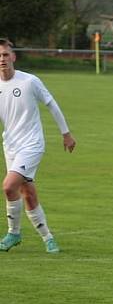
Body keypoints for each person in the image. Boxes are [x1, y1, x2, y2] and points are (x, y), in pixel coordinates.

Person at [0, 38, 76, 253]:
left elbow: (51, 104)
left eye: (5, 55)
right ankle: (48, 238)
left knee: (8, 186)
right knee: (28, 193)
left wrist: (66, 134)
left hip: (32, 144)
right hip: (11, 146)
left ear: (13, 57)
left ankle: (13, 233)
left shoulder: (29, 81)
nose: (2, 59)